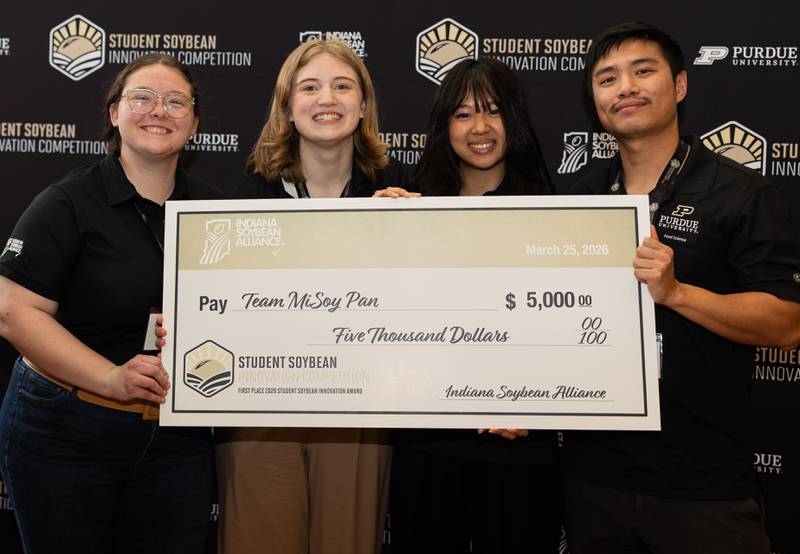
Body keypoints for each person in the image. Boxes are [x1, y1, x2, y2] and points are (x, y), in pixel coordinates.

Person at [561, 21, 800, 554]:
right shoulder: (581, 198)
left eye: (642, 71)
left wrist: (676, 293)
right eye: (607, 78)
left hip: (703, 485)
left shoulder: (742, 194)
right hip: (594, 479)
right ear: (595, 101)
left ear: (681, 85)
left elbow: (787, 324)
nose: (625, 87)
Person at [0, 53, 218, 554]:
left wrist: (386, 222)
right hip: (65, 429)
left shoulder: (213, 211)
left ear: (194, 123)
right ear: (115, 114)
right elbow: (13, 311)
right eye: (141, 98)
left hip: (175, 439)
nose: (158, 110)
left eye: (175, 101)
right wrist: (110, 378)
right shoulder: (67, 202)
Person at [214, 39, 408, 554]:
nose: (328, 98)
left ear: (363, 105)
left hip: (359, 408)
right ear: (288, 107)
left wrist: (413, 234)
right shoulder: (245, 198)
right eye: (310, 87)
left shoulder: (397, 195)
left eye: (343, 86)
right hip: (259, 407)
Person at [387, 58, 560, 553]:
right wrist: (375, 231)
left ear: (516, 120)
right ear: (445, 127)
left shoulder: (557, 213)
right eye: (463, 115)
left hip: (519, 448)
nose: (479, 128)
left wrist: (541, 404)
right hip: (427, 443)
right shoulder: (411, 207)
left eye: (493, 112)